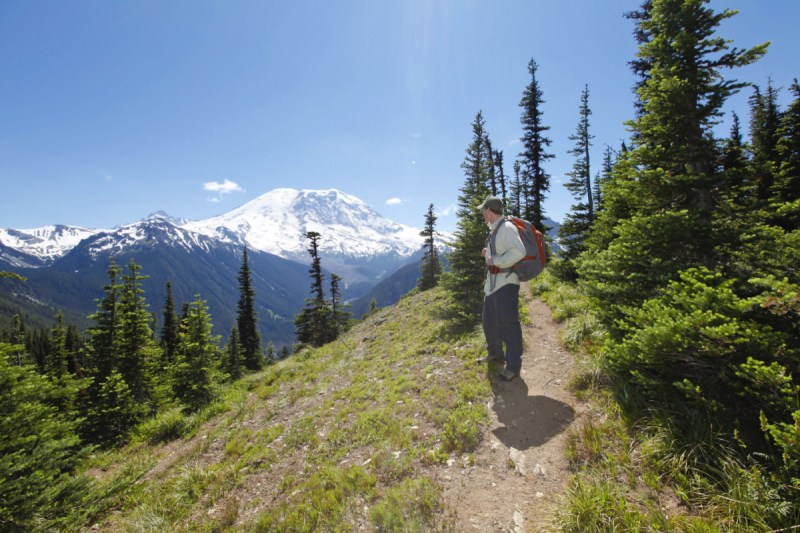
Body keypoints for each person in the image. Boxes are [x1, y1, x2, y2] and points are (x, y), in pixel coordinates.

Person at [478, 196, 526, 381]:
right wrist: (487, 253)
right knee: (489, 320)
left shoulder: (506, 228)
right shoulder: (495, 229)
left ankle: (513, 366)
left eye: (484, 209)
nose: (482, 213)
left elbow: (518, 252)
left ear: (490, 210)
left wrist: (495, 260)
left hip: (506, 283)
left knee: (508, 324)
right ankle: (496, 353)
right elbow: (501, 251)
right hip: (493, 284)